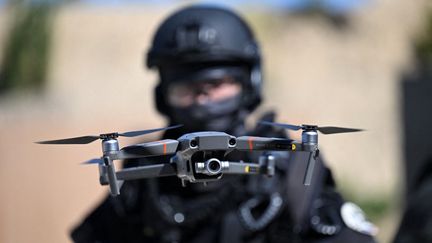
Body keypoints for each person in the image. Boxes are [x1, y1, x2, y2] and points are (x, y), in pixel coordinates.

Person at [71, 5, 377, 243]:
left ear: (249, 86)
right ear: (163, 96)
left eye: (218, 85)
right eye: (187, 89)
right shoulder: (142, 175)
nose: (203, 101)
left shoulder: (293, 168)